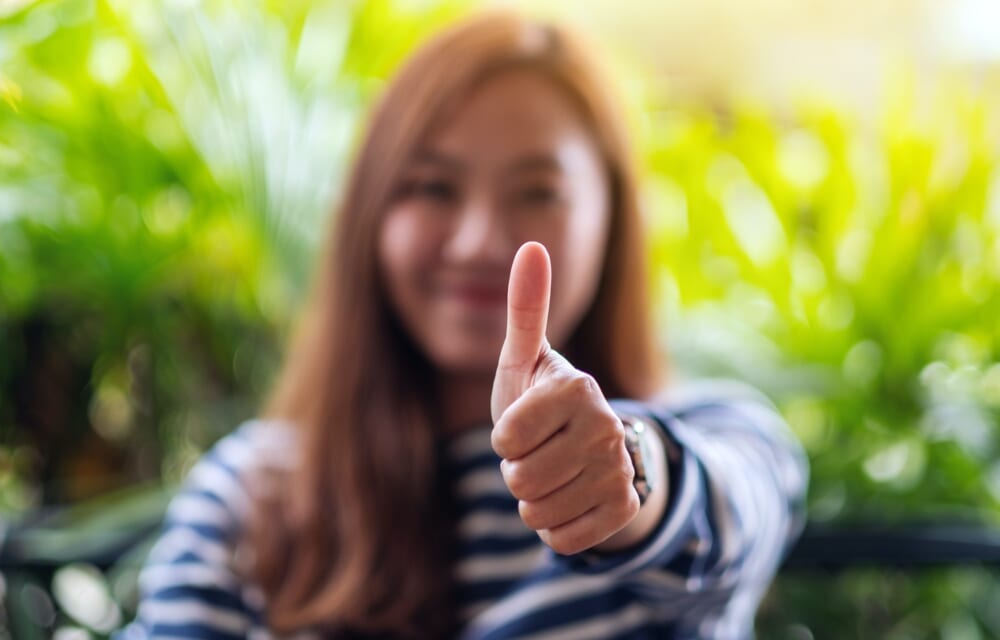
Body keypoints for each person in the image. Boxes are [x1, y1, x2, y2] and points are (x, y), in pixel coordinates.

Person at [117, 11, 807, 640]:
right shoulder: (251, 496)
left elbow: (724, 518)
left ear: (613, 221)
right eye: (433, 187)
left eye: (539, 191)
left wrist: (625, 471)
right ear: (372, 216)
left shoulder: (722, 435)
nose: (479, 242)